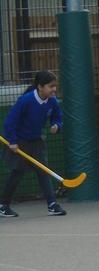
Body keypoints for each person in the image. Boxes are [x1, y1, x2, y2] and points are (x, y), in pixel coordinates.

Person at [1, 70, 66, 218]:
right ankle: (3, 205)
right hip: (19, 141)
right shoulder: (26, 100)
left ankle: (52, 204)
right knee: (17, 173)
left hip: (36, 141)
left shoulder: (52, 101)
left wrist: (56, 125)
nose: (54, 89)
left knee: (43, 171)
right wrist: (13, 141)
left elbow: (57, 116)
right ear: (40, 87)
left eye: (55, 86)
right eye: (51, 86)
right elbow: (10, 122)